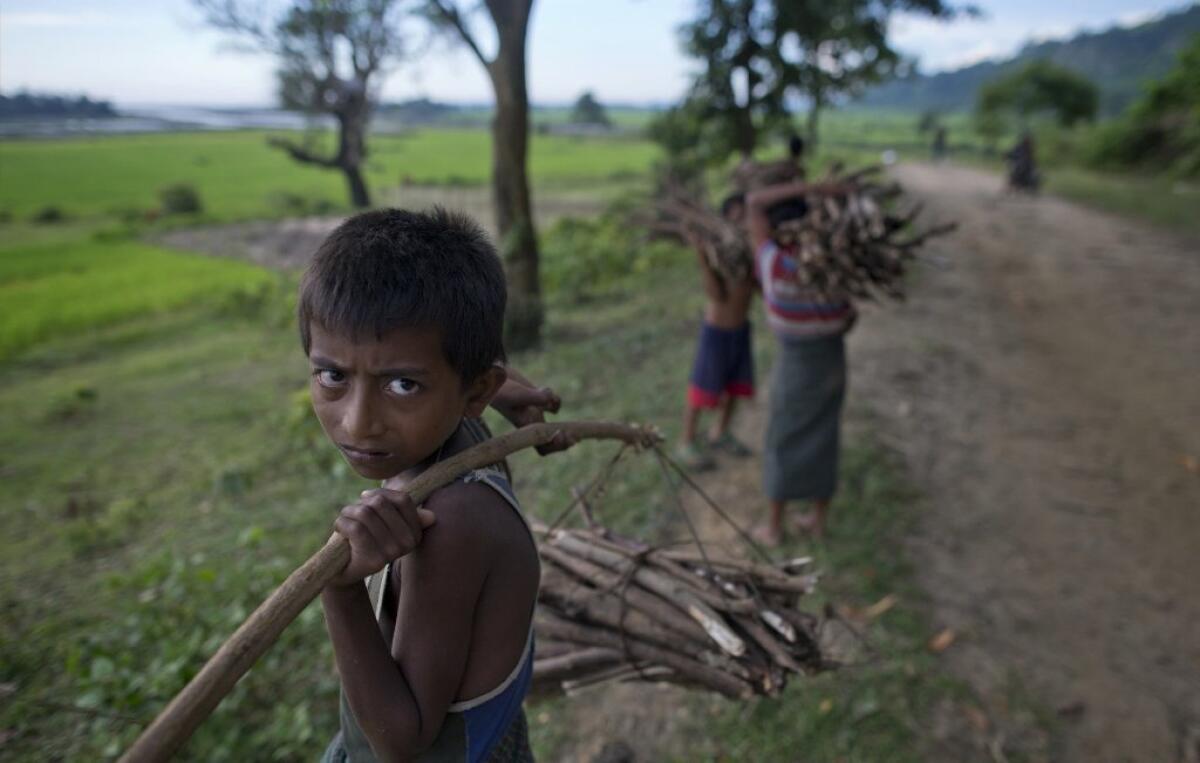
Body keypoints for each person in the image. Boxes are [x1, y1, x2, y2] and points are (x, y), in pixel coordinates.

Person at [305, 208, 567, 762]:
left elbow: (403, 741)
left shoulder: (450, 525)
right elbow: (467, 369)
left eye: (401, 384)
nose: (357, 423)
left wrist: (339, 589)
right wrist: (503, 391)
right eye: (333, 375)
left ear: (475, 389)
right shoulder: (463, 426)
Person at [746, 180, 856, 545]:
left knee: (783, 438)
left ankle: (774, 527)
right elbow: (849, 317)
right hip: (832, 360)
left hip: (796, 363)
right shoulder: (836, 266)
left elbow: (754, 201)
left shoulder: (774, 264)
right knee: (825, 436)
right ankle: (818, 521)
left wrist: (813, 185)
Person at [676, 192, 757, 470]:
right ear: (726, 218)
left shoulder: (749, 251)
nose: (744, 219)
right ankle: (685, 442)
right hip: (717, 332)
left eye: (747, 213)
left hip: (740, 329)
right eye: (738, 214)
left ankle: (720, 432)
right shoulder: (720, 250)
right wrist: (702, 256)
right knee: (701, 388)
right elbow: (717, 295)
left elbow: (756, 288)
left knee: (735, 387)